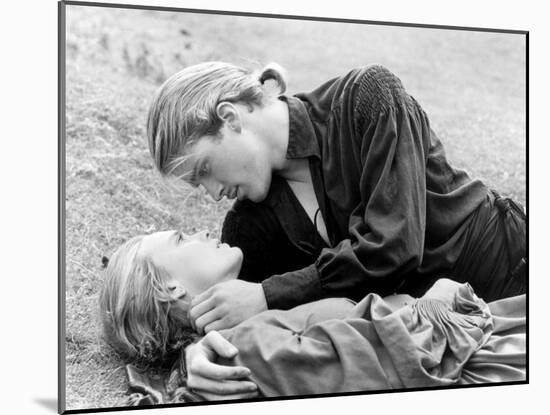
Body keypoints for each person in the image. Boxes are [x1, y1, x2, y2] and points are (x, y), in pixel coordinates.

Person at [146, 61, 526, 397]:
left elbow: (393, 246)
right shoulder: (248, 228)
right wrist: (193, 354)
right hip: (448, 348)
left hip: (511, 269)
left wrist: (268, 293)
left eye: (205, 170)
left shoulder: (367, 98)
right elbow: (235, 320)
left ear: (230, 119)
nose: (213, 194)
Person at [99, 230, 525, 404]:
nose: (200, 232)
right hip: (483, 364)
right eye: (180, 238)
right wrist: (437, 304)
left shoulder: (247, 331)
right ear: (167, 288)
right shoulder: (239, 349)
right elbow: (382, 371)